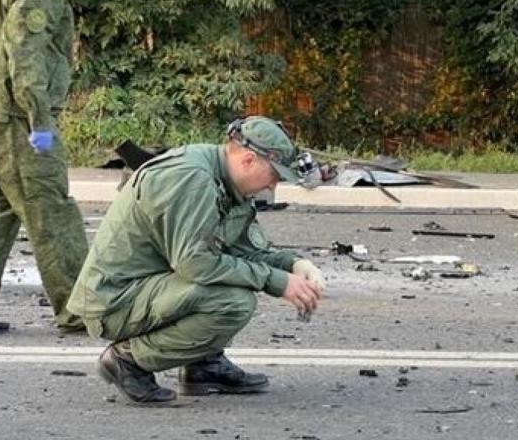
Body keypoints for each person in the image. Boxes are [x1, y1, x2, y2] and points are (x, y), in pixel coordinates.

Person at [68, 116, 327, 404]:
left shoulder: (227, 181)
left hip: (148, 287)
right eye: (274, 176)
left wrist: (295, 266)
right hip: (114, 301)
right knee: (233, 302)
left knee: (232, 281)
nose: (273, 187)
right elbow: (196, 264)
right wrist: (276, 282)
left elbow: (243, 250)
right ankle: (127, 360)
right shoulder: (193, 179)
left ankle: (203, 365)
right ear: (249, 160)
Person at [0, 0, 118, 334]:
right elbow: (27, 62)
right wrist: (40, 124)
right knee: (53, 213)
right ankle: (81, 310)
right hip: (19, 121)